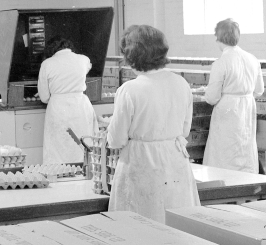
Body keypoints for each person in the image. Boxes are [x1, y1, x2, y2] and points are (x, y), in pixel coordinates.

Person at [107, 25, 200, 223]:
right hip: (175, 161)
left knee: (141, 225)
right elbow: (185, 130)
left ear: (132, 56)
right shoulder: (180, 83)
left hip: (141, 162)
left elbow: (116, 140)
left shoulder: (129, 90)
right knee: (177, 224)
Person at [203, 18, 264, 172]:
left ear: (218, 38)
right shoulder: (252, 59)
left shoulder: (221, 63)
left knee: (224, 151)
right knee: (244, 146)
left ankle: (223, 181)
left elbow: (212, 98)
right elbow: (259, 90)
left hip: (227, 110)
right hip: (247, 107)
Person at [38, 36, 97, 164]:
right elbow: (87, 67)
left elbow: (44, 97)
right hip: (80, 105)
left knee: (58, 149)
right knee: (81, 145)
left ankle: (59, 173)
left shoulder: (47, 64)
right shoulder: (83, 59)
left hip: (58, 108)